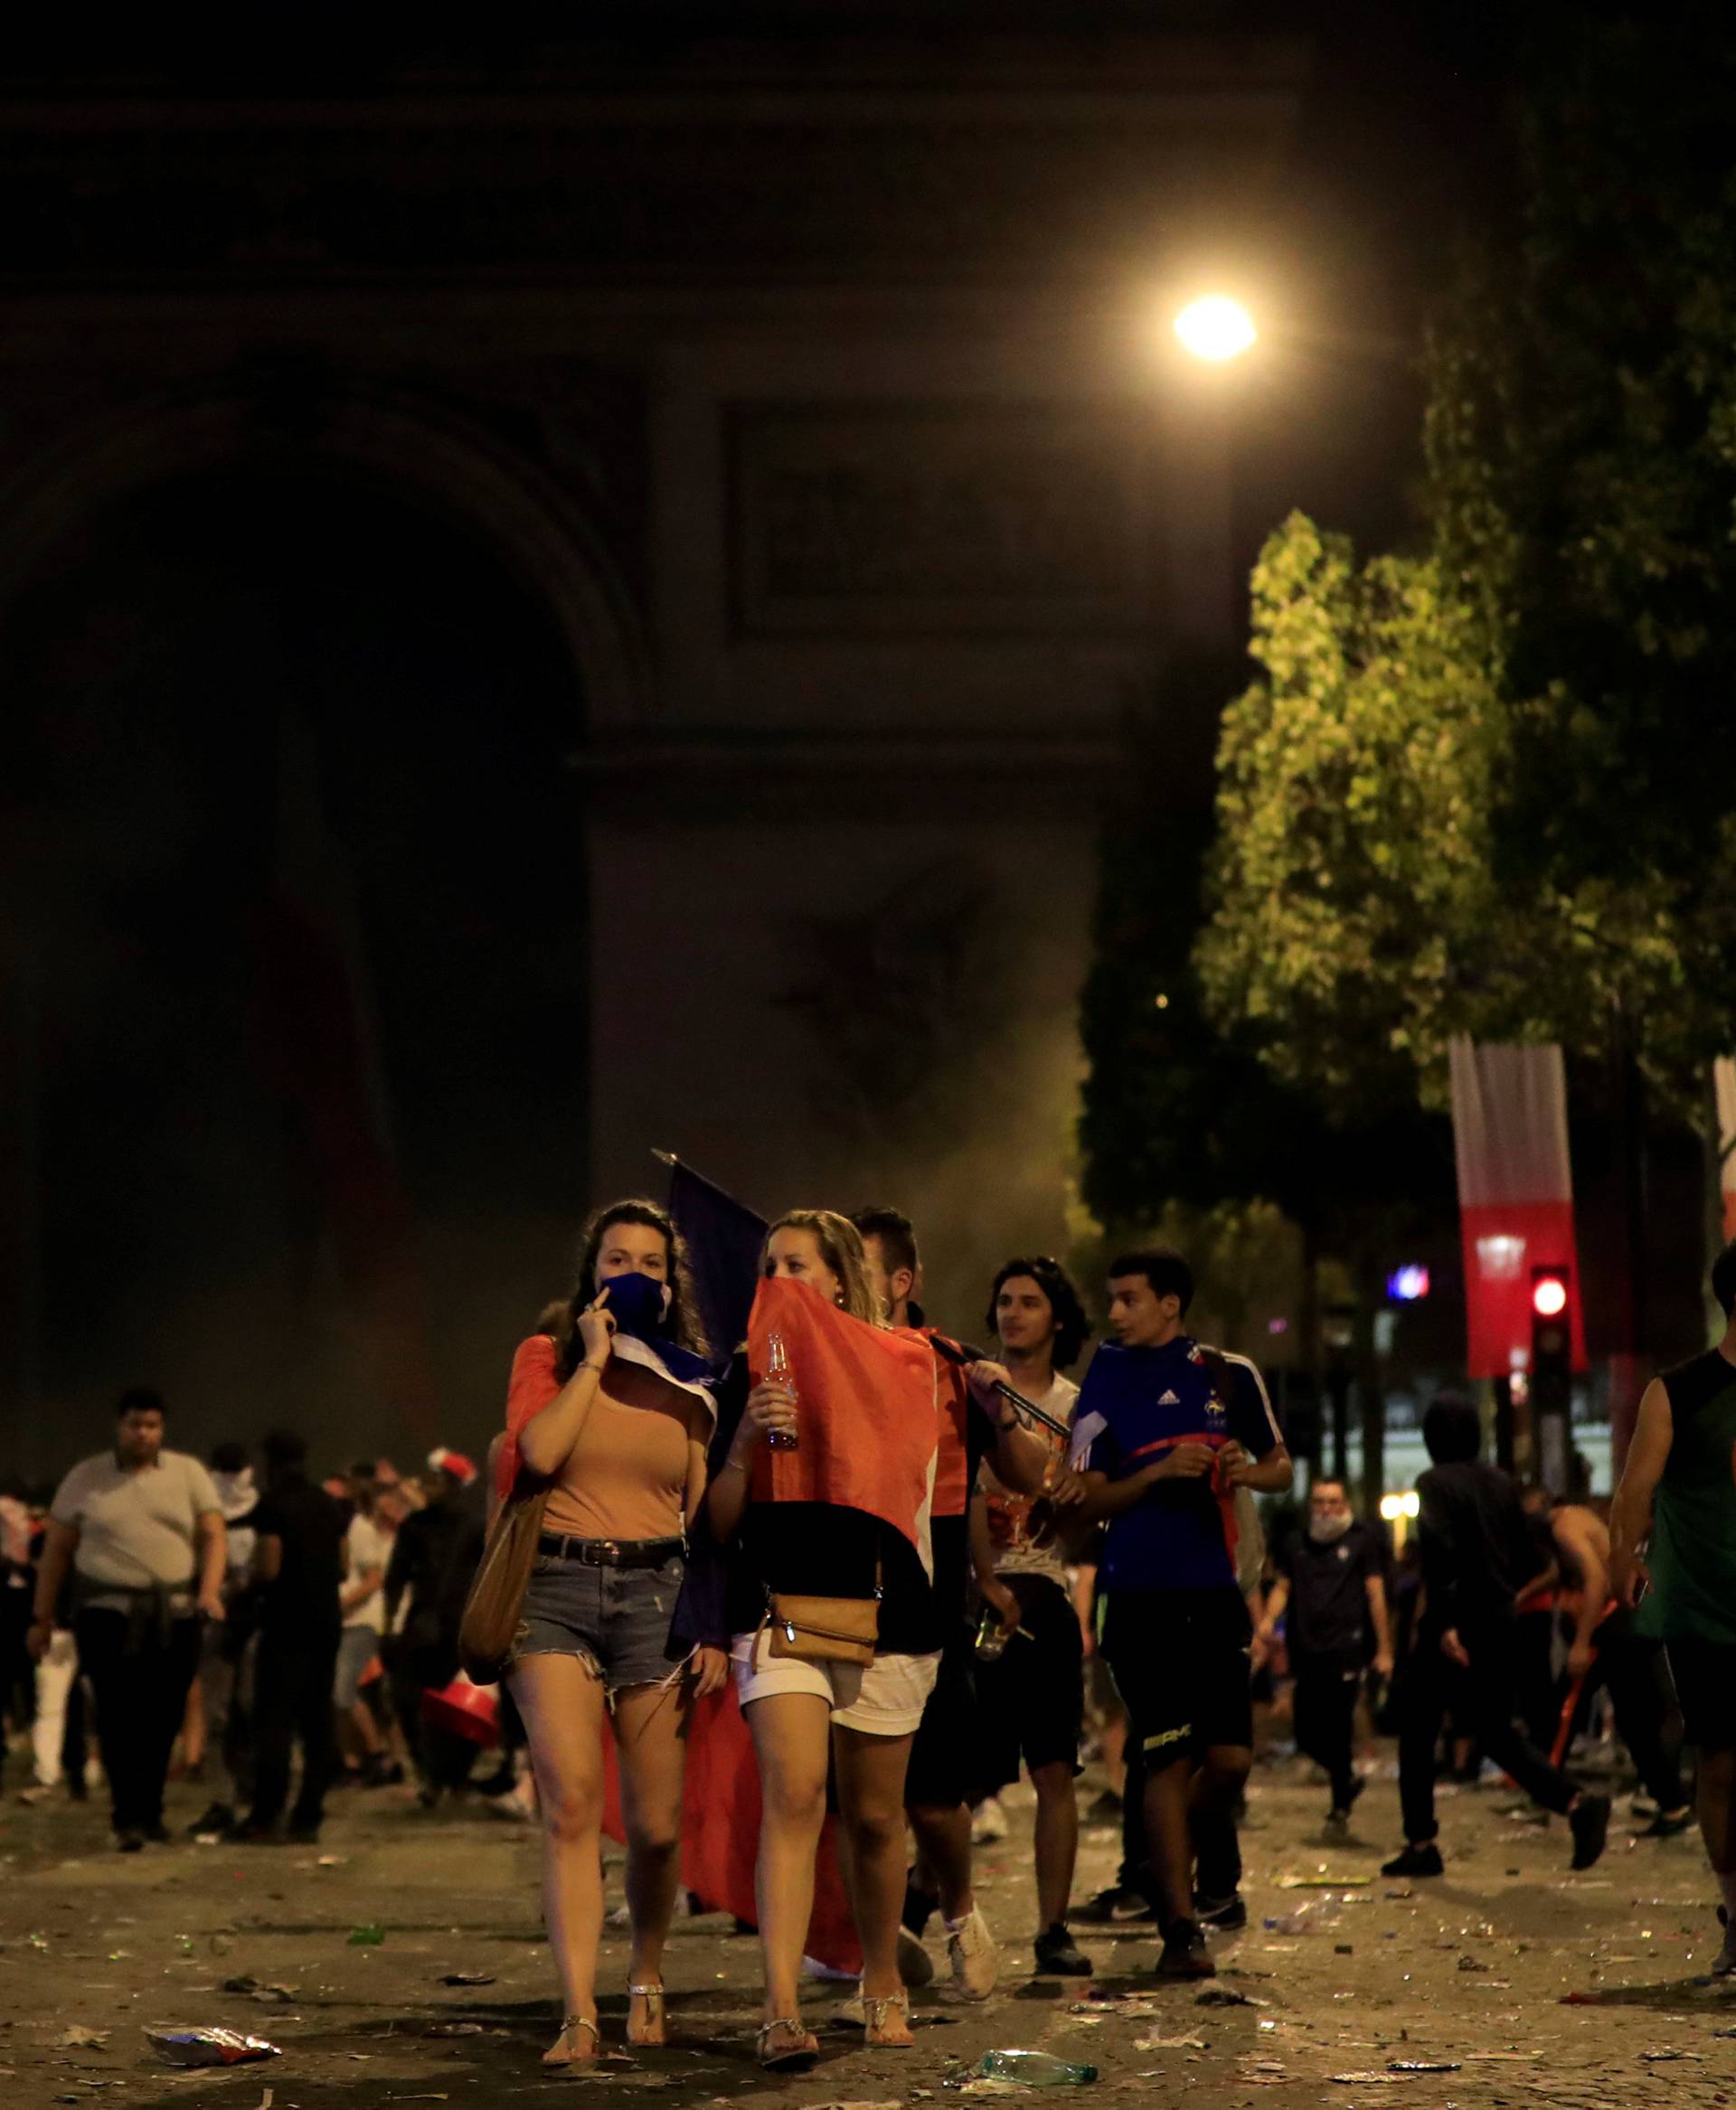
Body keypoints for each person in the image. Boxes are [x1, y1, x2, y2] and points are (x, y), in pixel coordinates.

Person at [708, 1210, 941, 2068]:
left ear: (840, 1278)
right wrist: (743, 1441)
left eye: (796, 1265)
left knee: (877, 1819)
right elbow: (720, 1521)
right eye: (769, 1264)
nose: (778, 1279)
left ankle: (882, 1977)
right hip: (778, 1610)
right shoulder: (745, 1371)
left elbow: (909, 1490)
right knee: (798, 1796)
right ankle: (778, 2008)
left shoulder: (905, 1362)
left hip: (886, 1614)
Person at [502, 1199, 728, 2071]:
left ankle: (645, 1974)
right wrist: (593, 1363)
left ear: (672, 1286)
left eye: (650, 1265)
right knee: (569, 1807)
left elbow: (705, 1518)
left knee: (657, 1828)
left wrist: (712, 1622)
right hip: (554, 1589)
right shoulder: (547, 1358)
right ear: (591, 1274)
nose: (632, 1275)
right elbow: (541, 1454)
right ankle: (578, 2011)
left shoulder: (694, 1381)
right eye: (616, 1260)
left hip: (658, 1599)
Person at [1071, 1247, 1291, 1979]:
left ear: (1171, 1304)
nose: (1116, 1313)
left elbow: (1280, 1467)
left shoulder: (1228, 1374)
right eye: (1113, 1299)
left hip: (1215, 1591)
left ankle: (1177, 1860)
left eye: (1130, 1299)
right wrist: (1156, 1472)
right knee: (1166, 1755)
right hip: (1136, 1596)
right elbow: (1087, 1496)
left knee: (1228, 1761)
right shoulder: (1105, 1375)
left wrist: (1241, 1469)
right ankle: (1178, 1922)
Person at [851, 1208, 1052, 2005]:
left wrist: (997, 1407)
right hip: (840, 1609)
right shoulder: (824, 1364)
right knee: (859, 1814)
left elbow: (1026, 1473)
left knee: (934, 1805)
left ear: (902, 1282)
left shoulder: (952, 1368)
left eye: (856, 1270)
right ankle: (871, 1965)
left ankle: (962, 1915)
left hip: (929, 1615)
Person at [1383, 1395, 1609, 1879]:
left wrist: (1443, 1623)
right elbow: (1529, 1548)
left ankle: (1421, 1842)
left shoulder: (1434, 1483)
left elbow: (1439, 1553)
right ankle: (1574, 1802)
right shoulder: (1501, 1483)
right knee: (1497, 1732)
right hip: (1501, 1619)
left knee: (1418, 1730)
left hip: (1456, 1623)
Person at [1611, 1238, 1736, 1974]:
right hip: (1703, 1607)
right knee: (1721, 1764)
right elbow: (1634, 1491)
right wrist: (1624, 1561)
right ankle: (1734, 1909)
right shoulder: (1679, 1392)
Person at [28, 1389, 227, 1850]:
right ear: (120, 1426)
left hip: (173, 1615)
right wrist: (41, 1618)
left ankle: (151, 1810)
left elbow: (214, 1535)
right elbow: (57, 1551)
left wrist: (209, 1591)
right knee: (118, 1717)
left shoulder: (188, 1473)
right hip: (106, 1615)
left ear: (163, 1429)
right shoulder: (87, 1477)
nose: (143, 1433)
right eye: (135, 1424)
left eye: (152, 1425)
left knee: (164, 1716)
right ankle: (127, 1817)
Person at [970, 1256, 1094, 1975]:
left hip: (1044, 1591)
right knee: (963, 1773)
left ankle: (1053, 1927)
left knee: (1054, 1768)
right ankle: (932, 1891)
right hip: (973, 1591)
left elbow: (1085, 1520)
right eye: (1004, 1301)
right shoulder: (971, 1389)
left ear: (1057, 1318)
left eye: (1029, 1302)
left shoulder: (1079, 1409)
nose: (1013, 1313)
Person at [1543, 1487, 1689, 1833]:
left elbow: (1597, 1580)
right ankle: (1673, 1803)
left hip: (1618, 1625)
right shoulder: (1581, 1522)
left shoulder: (1562, 1528)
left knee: (1572, 1700)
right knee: (1636, 1718)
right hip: (1633, 1621)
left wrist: (1580, 1643)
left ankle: (1548, 1788)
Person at [1255, 1478, 1392, 1831]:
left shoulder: (1362, 1541)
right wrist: (1269, 1620)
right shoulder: (1296, 1544)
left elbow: (1375, 1594)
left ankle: (1339, 1805)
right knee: (1305, 1732)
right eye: (1319, 1501)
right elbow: (1284, 1586)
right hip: (1306, 1648)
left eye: (1333, 1501)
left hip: (1347, 1649)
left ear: (1346, 1503)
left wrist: (1384, 1648)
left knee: (1338, 1725)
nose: (1326, 1508)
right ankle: (1344, 1779)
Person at [240, 1429, 345, 1842]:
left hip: (286, 1623)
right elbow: (343, 1565)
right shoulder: (327, 1502)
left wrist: (243, 1586)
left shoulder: (272, 1505)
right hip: (327, 1622)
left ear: (270, 1462)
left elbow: (269, 1566)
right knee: (318, 1720)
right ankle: (308, 1816)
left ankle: (266, 1816)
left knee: (275, 1721)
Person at [383, 1447, 486, 1804]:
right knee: (409, 1702)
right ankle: (430, 1775)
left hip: (461, 1630)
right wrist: (389, 1626)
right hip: (421, 1628)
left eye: (438, 1480)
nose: (430, 1486)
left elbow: (487, 1577)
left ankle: (453, 1776)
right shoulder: (413, 1526)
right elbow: (395, 1579)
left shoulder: (474, 1526)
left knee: (460, 1707)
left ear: (456, 1486)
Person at [335, 1460, 397, 1786]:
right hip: (350, 1622)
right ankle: (353, 1760)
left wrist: (338, 1606)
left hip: (359, 1621)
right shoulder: (353, 1527)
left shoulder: (360, 1527)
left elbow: (373, 1580)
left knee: (343, 1693)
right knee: (348, 1694)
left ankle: (374, 1758)